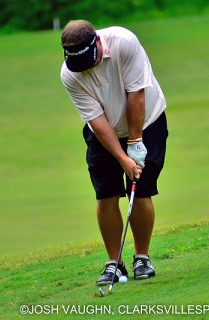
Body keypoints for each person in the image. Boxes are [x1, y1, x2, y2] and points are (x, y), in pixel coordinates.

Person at [59, 20, 168, 285]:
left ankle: (142, 257)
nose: (84, 67)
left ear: (97, 41)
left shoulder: (124, 43)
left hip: (147, 122)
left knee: (140, 189)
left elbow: (136, 94)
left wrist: (136, 142)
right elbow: (96, 120)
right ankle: (114, 263)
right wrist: (122, 157)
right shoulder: (69, 74)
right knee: (105, 195)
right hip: (103, 133)